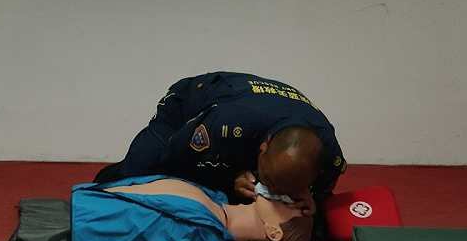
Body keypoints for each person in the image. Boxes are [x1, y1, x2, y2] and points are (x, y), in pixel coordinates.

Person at [95, 72, 346, 217]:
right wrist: (230, 179)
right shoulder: (226, 124)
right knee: (141, 176)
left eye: (282, 188)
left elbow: (321, 197)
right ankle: (112, 176)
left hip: (251, 125)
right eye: (268, 180)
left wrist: (313, 201)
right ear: (265, 146)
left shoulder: (330, 158)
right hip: (187, 108)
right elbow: (175, 158)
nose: (273, 190)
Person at [70, 175, 313, 241]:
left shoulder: (202, 239)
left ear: (273, 232)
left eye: (288, 206)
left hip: (73, 222)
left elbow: (122, 233)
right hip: (81, 204)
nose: (286, 198)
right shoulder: (214, 202)